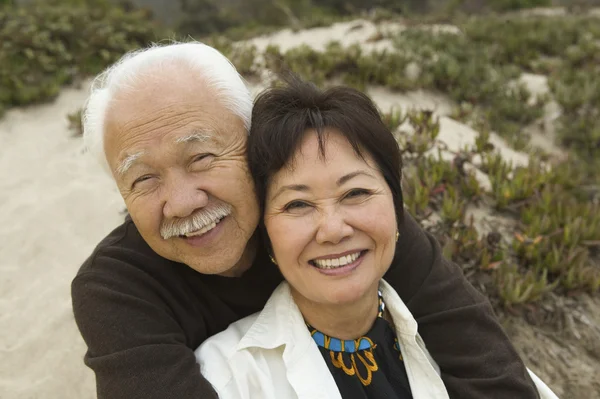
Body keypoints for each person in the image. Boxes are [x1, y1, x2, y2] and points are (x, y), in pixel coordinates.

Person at [71, 42, 540, 399]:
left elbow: (486, 365)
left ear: (253, 144)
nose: (180, 203)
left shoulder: (342, 225)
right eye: (143, 180)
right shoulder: (115, 288)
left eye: (202, 157)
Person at [194, 75, 558, 399]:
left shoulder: (459, 346)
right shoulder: (226, 376)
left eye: (355, 193)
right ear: (266, 235)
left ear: (398, 210)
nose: (333, 229)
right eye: (298, 204)